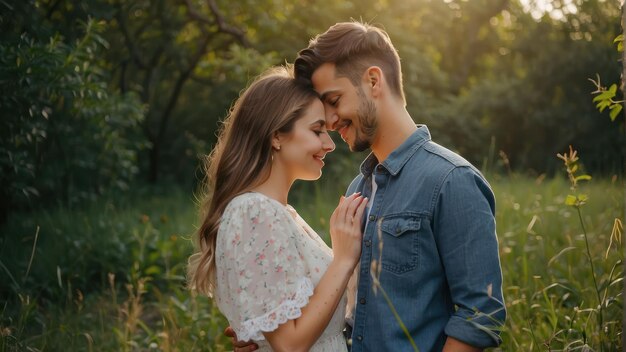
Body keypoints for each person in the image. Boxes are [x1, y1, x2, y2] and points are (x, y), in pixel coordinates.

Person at [230, 21, 506, 351]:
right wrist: (266, 336)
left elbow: (480, 314)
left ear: (373, 81)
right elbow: (355, 310)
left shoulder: (452, 180)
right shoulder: (357, 189)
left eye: (334, 99)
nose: (330, 120)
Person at [187, 65, 369, 351]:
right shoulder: (255, 213)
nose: (329, 144)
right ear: (276, 135)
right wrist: (343, 259)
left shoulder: (279, 213)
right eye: (317, 130)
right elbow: (291, 344)